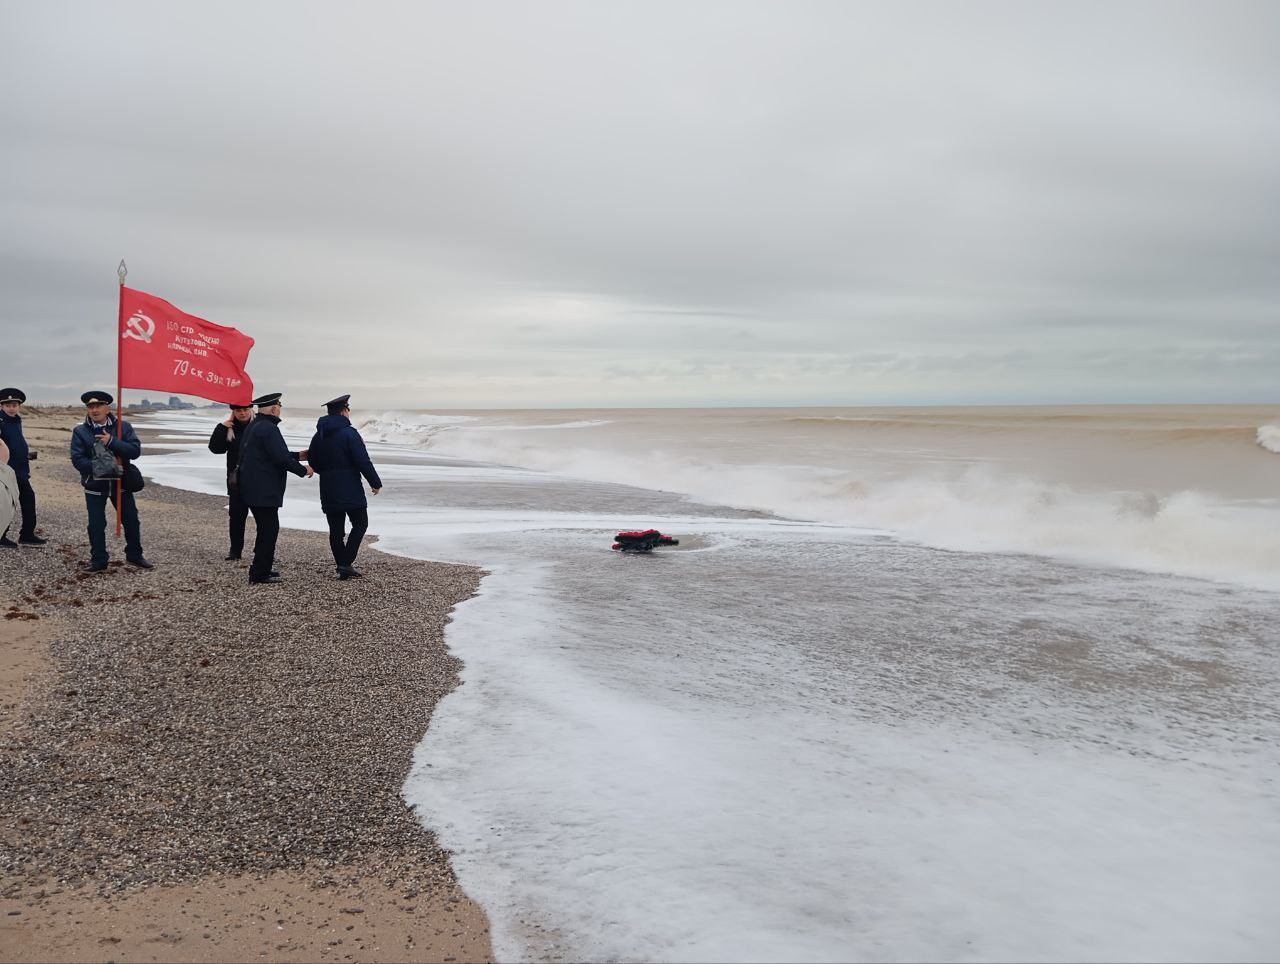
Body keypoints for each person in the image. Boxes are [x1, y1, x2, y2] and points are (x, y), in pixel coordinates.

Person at [69, 391, 153, 572]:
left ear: (107, 407)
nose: (94, 409)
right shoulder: (80, 431)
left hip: (121, 484)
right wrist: (102, 467)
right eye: (90, 407)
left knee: (131, 520)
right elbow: (77, 459)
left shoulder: (124, 427)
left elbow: (134, 451)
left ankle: (134, 555)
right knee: (96, 524)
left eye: (98, 405)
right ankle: (99, 560)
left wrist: (112, 441)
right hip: (94, 485)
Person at [236, 392, 313, 584]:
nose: (280, 409)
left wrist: (298, 455)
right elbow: (279, 458)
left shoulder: (256, 425)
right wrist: (304, 470)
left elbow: (271, 453)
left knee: (266, 529)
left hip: (252, 486)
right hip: (263, 489)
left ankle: (262, 568)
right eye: (279, 406)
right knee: (269, 530)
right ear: (273, 408)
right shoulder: (269, 429)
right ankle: (260, 573)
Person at [307, 394, 383, 580]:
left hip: (327, 487)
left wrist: (327, 473)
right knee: (360, 523)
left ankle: (343, 564)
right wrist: (375, 482)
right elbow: (362, 461)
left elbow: (313, 461)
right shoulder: (350, 433)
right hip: (350, 486)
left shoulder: (319, 435)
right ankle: (345, 562)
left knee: (336, 530)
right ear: (344, 411)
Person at [207, 401, 255, 560]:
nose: (242, 413)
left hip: (257, 480)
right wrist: (221, 428)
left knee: (262, 518)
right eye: (238, 410)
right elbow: (215, 449)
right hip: (236, 481)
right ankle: (235, 551)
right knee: (236, 517)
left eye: (245, 409)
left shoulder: (259, 426)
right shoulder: (229, 429)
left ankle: (261, 551)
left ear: (250, 409)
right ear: (234, 412)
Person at [0, 388, 46, 547]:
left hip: (21, 468)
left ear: (19, 406)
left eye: (14, 405)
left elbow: (15, 444)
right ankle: (3, 536)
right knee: (7, 503)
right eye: (8, 405)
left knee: (26, 499)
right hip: (7, 471)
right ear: (1, 406)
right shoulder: (1, 422)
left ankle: (26, 534)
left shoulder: (16, 420)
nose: (11, 408)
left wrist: (25, 455)